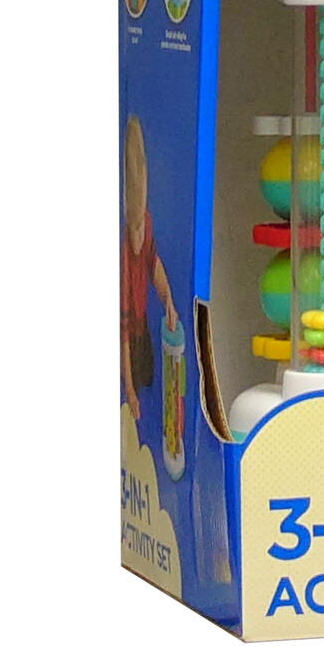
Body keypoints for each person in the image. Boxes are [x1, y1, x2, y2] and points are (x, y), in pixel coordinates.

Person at [121, 115, 178, 421]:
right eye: (137, 228)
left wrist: (168, 300)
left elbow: (153, 261)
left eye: (143, 226)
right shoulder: (122, 262)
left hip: (142, 329)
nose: (141, 233)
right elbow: (123, 336)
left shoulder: (145, 227)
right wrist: (129, 390)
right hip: (132, 337)